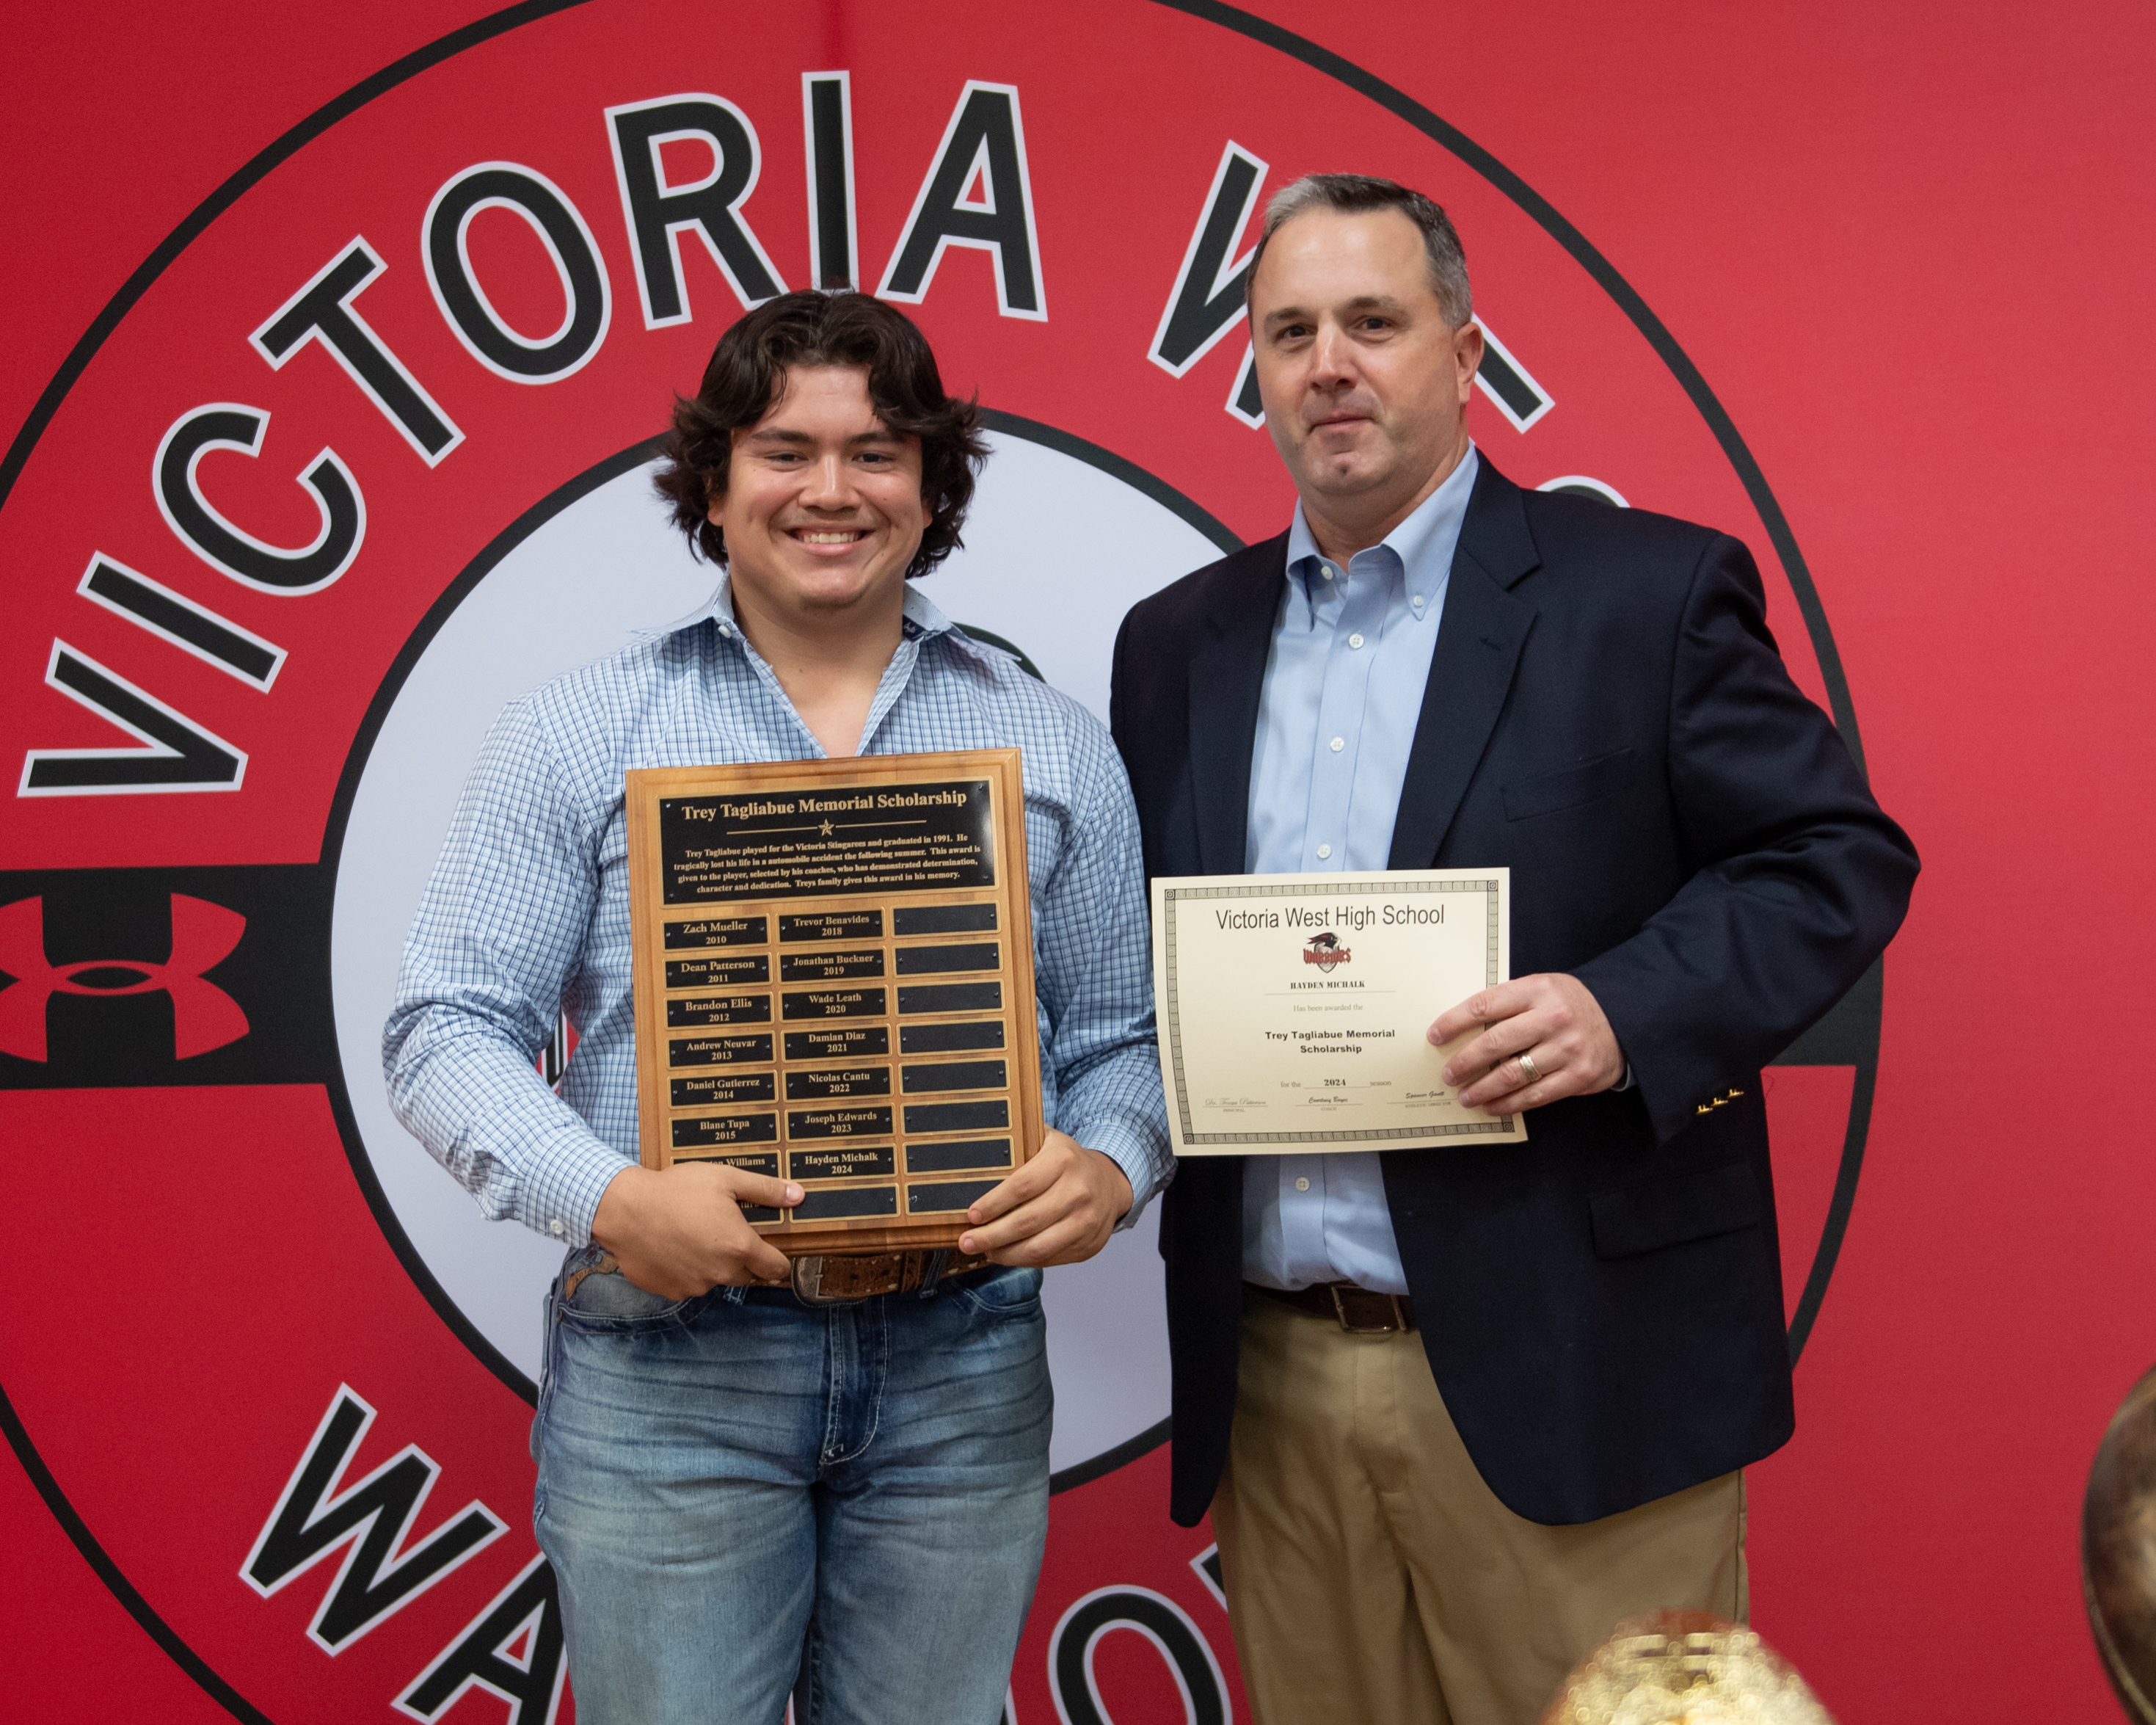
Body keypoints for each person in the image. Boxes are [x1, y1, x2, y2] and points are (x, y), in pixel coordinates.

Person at [1109, 175, 1918, 1724]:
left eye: (1371, 322)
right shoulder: (1174, 641)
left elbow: (1834, 856)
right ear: (1256, 374)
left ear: (1464, 352)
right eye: (1288, 332)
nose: (1328, 364)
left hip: (1573, 1360)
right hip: (1275, 1376)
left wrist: (1623, 1006)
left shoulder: (1643, 592)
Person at [385, 289, 1169, 1725]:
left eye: (875, 450)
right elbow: (445, 1026)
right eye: (782, 449)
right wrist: (612, 1195)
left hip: (962, 1359)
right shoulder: (577, 727)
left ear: (932, 485)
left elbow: (1126, 1035)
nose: (830, 489)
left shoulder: (1048, 738)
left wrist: (1114, 1158)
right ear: (714, 479)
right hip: (666, 1369)